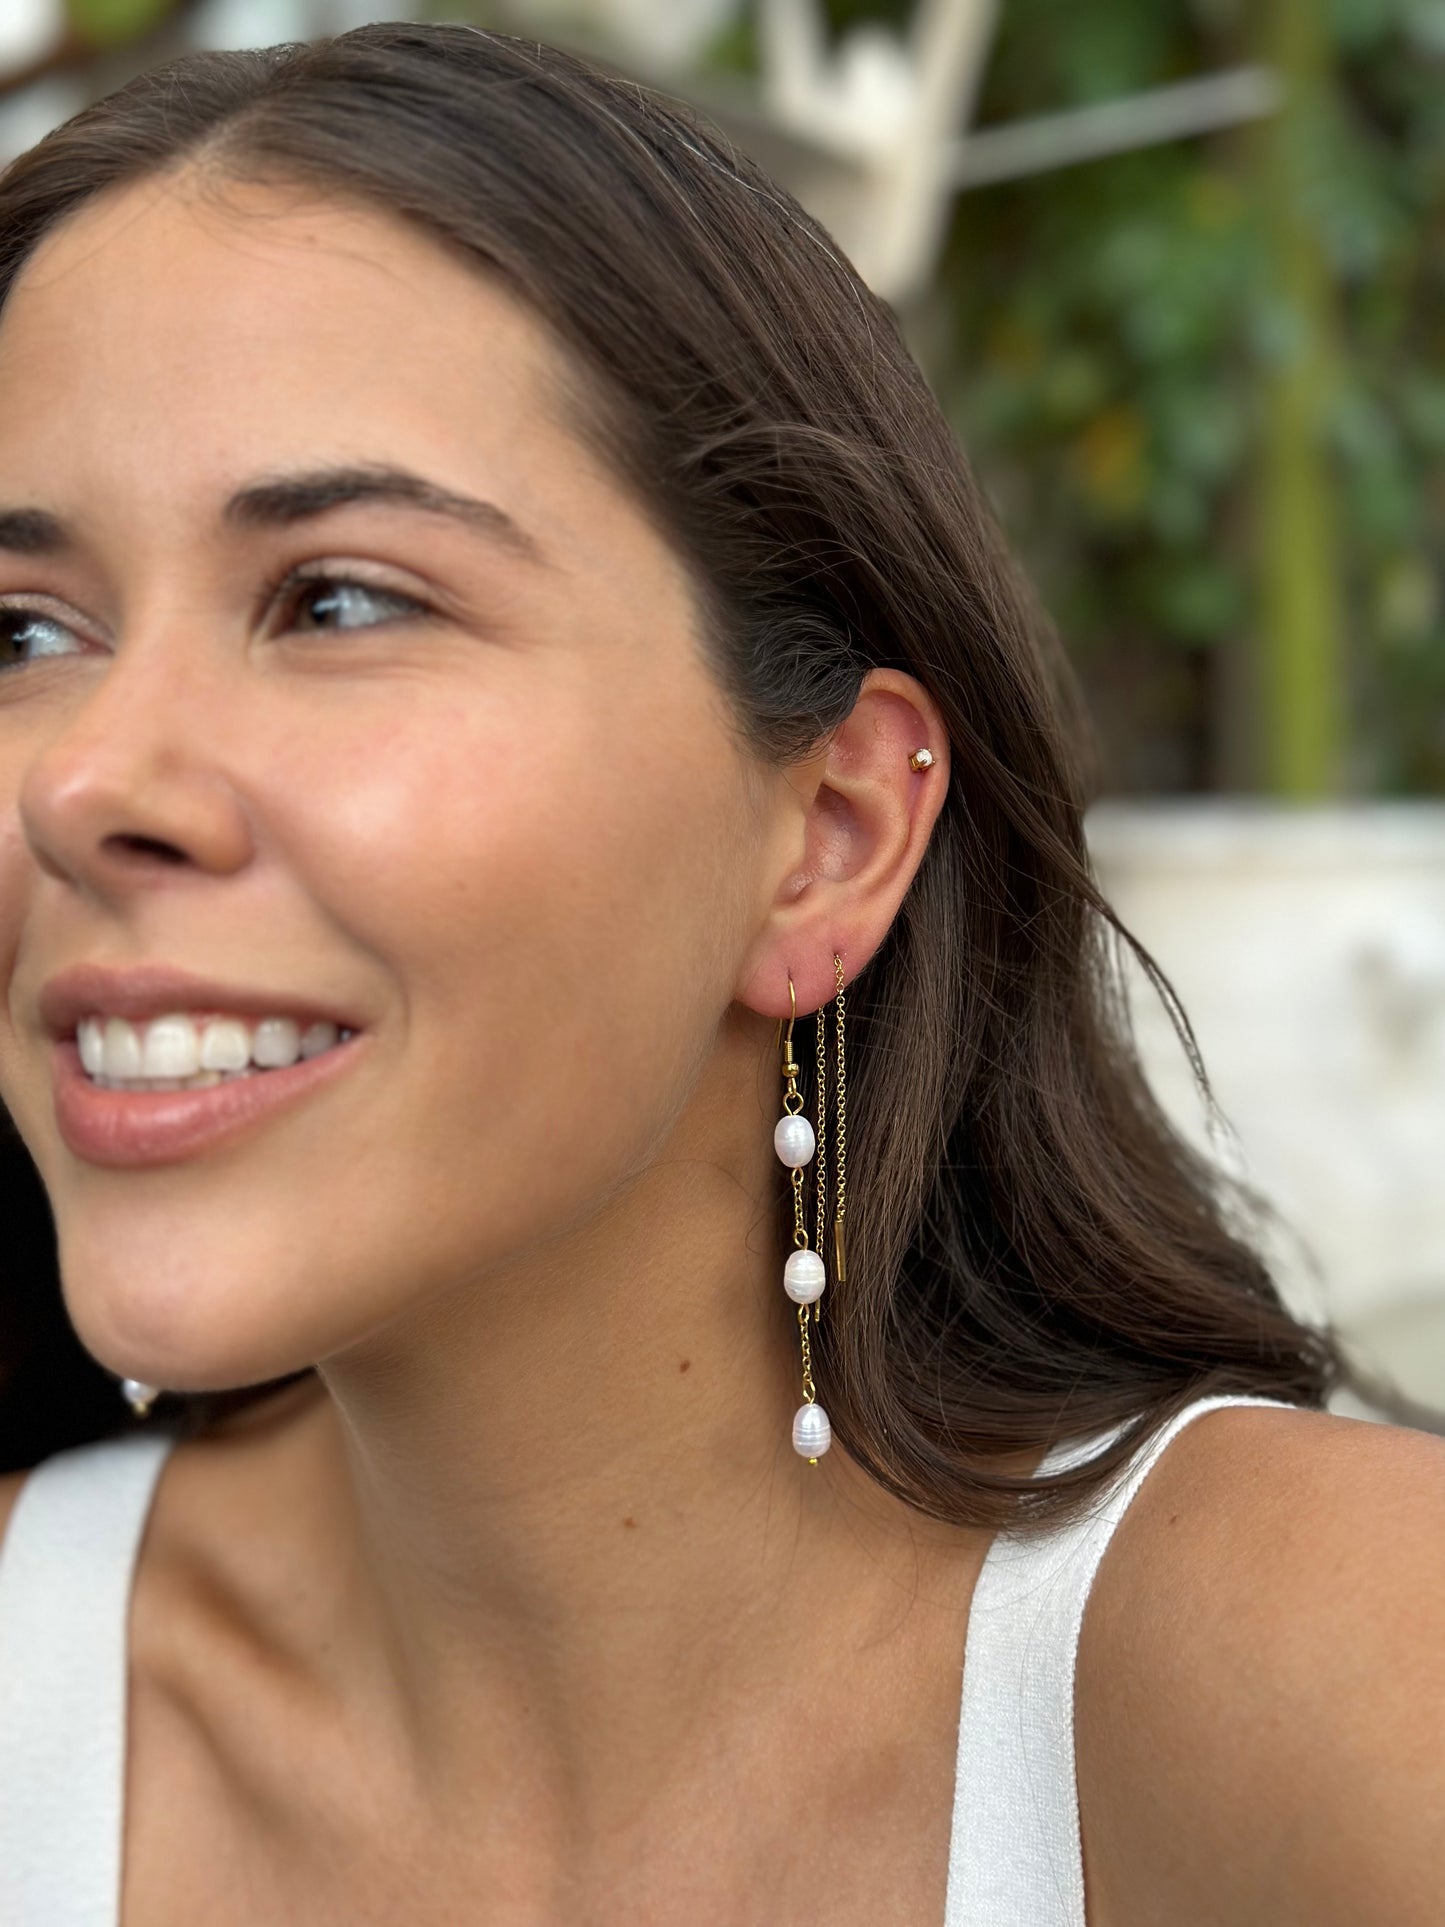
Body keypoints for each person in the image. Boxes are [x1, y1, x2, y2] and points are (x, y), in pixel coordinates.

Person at [0, 22, 1439, 1925]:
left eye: (339, 599)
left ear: (830, 831)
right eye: (23, 628)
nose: (89, 781)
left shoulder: (1325, 1679)